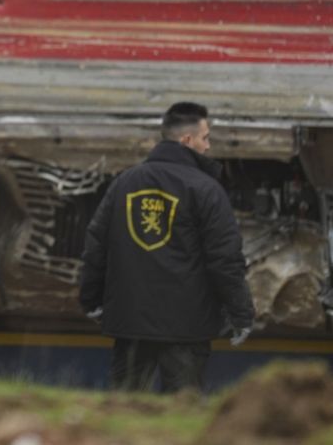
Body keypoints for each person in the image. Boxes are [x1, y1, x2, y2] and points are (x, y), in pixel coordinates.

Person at [79, 101, 254, 392]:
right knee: (182, 410)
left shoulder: (125, 183)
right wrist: (241, 314)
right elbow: (225, 260)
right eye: (205, 138)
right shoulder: (206, 189)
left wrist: (91, 299)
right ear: (187, 140)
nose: (208, 146)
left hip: (130, 322)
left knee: (124, 409)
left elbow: (96, 247)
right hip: (187, 328)